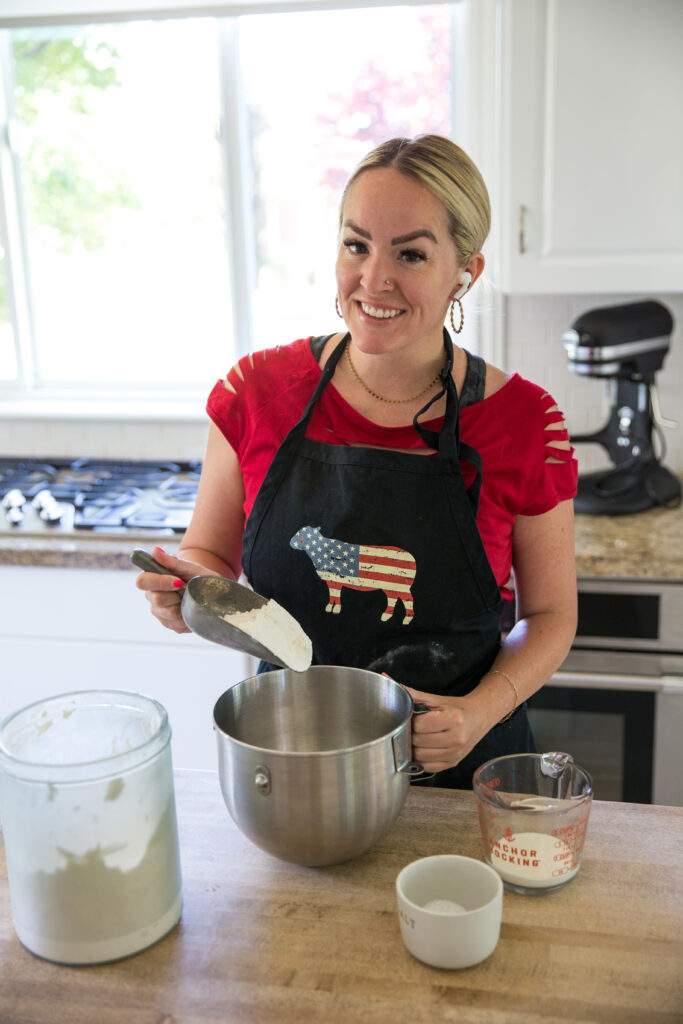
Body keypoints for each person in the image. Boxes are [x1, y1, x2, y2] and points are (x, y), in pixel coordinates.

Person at [136, 134, 578, 788]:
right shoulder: (256, 393)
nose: (373, 280)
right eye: (356, 245)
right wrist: (186, 589)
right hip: (295, 764)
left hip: (462, 770)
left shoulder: (522, 424)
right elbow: (208, 553)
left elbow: (550, 617)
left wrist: (478, 712)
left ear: (466, 271)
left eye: (411, 254)